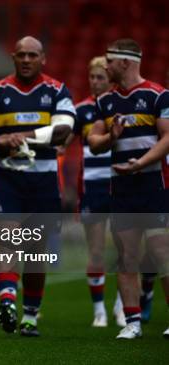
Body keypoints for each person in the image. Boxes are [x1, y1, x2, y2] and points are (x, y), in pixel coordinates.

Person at [0, 36, 76, 337]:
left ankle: (30, 314)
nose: (27, 60)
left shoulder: (57, 91)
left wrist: (25, 136)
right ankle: (7, 300)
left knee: (35, 251)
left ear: (43, 58)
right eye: (21, 55)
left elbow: (64, 130)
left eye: (32, 55)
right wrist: (1, 141)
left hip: (43, 180)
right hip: (6, 177)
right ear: (13, 58)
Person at [88, 38, 169, 339]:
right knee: (127, 255)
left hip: (154, 185)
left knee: (162, 251)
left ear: (124, 62)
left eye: (109, 61)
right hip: (122, 188)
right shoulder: (105, 102)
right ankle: (132, 323)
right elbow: (93, 143)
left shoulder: (158, 96)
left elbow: (167, 138)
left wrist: (140, 163)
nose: (105, 65)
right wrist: (111, 136)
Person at [73, 56, 125, 328]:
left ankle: (121, 307)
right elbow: (63, 142)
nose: (95, 82)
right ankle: (99, 312)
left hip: (120, 184)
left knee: (125, 250)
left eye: (100, 78)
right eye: (92, 77)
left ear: (111, 80)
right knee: (95, 252)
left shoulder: (121, 107)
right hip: (91, 187)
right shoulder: (81, 111)